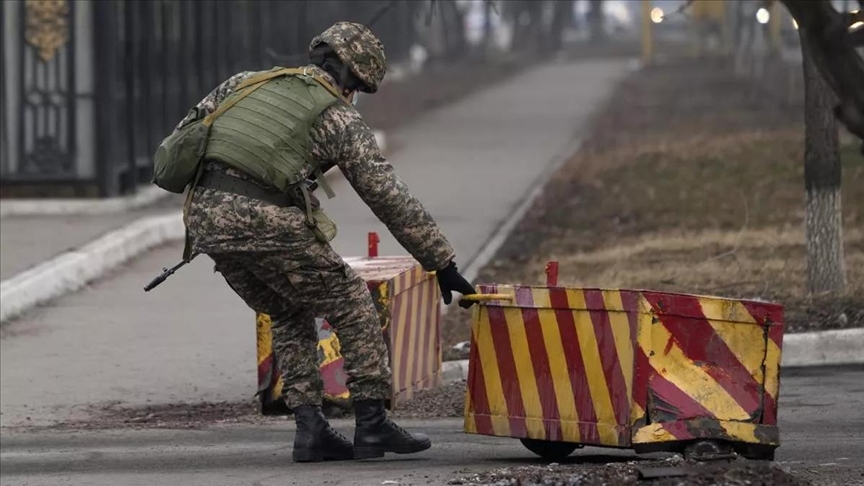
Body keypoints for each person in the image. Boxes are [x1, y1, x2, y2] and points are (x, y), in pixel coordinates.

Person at [175, 22, 477, 462]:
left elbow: (189, 131)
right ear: (353, 79)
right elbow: (386, 194)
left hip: (203, 220)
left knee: (286, 307)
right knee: (352, 301)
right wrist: (441, 263)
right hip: (265, 220)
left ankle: (310, 429)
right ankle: (372, 424)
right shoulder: (337, 116)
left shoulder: (244, 84)